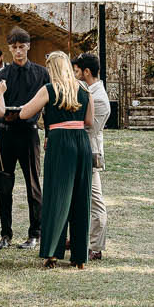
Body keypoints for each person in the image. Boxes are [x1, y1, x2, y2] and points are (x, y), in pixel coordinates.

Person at [33, 51, 93, 269]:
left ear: (52, 69)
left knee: (57, 196)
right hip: (81, 142)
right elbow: (89, 120)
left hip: (59, 142)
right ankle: (79, 256)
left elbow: (25, 113)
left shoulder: (49, 90)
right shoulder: (84, 89)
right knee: (80, 197)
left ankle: (52, 253)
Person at [0, 27, 49, 248]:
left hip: (29, 133)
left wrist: (49, 133)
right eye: (14, 48)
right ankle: (5, 234)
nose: (18, 51)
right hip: (6, 134)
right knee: (4, 185)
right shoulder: (1, 76)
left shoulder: (42, 74)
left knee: (33, 184)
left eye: (21, 47)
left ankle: (36, 232)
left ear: (28, 46)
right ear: (9, 49)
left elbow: (49, 107)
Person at [74, 52, 109, 261]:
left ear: (87, 72)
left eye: (78, 70)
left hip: (90, 151)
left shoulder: (98, 97)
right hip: (81, 148)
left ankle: (96, 246)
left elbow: (88, 127)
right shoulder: (88, 91)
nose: (75, 74)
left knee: (95, 200)